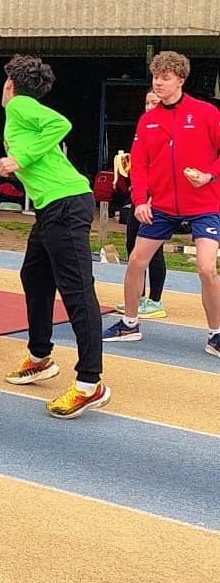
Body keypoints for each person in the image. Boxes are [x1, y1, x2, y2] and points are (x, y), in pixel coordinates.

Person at [0, 55, 110, 419]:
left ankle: (90, 384)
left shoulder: (20, 105)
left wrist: (19, 159)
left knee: (77, 292)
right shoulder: (21, 114)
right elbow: (41, 154)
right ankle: (40, 357)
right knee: (34, 276)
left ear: (10, 84)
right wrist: (16, 164)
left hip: (66, 203)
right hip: (52, 206)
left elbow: (61, 123)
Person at [103, 51, 220, 356]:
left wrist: (209, 175)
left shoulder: (205, 113)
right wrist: (140, 201)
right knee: (136, 261)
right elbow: (139, 165)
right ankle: (129, 324)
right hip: (163, 207)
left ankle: (216, 335)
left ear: (180, 80)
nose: (158, 83)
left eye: (165, 78)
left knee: (207, 268)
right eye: (156, 77)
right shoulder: (148, 121)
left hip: (204, 205)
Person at [114, 91, 167, 320]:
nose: (149, 106)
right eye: (146, 102)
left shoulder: (168, 130)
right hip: (139, 197)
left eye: (154, 102)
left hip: (158, 198)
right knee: (132, 245)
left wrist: (154, 197)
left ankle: (155, 301)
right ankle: (139, 295)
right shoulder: (144, 128)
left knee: (153, 250)